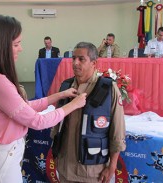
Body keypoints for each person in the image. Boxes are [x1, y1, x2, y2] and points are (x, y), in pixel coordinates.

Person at [0, 15, 86, 183]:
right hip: (1, 160)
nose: (21, 49)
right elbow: (36, 121)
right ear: (1, 46)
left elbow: (24, 107)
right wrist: (73, 105)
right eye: (16, 44)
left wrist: (60, 95)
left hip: (1, 156)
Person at [51, 42, 126, 183]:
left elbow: (118, 131)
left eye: (81, 59)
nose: (75, 63)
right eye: (73, 58)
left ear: (94, 63)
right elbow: (57, 126)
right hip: (65, 169)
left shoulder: (107, 89)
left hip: (92, 171)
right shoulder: (66, 87)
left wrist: (112, 165)